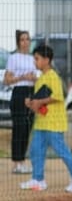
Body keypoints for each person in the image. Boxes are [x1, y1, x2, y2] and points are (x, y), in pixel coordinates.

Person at [20, 43, 72, 193]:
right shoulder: (41, 78)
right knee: (35, 150)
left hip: (53, 123)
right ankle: (38, 179)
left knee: (61, 150)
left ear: (46, 60)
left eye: (37, 58)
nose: (35, 62)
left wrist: (38, 102)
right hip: (42, 122)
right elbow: (40, 101)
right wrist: (31, 103)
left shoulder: (52, 76)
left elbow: (57, 96)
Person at [4, 30, 36, 174]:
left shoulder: (32, 58)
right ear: (18, 42)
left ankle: (22, 160)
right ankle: (16, 162)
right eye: (22, 39)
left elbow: (35, 76)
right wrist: (22, 77)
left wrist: (34, 78)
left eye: (27, 39)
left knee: (27, 128)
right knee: (19, 128)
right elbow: (7, 80)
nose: (25, 42)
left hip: (31, 92)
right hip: (19, 93)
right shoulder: (13, 58)